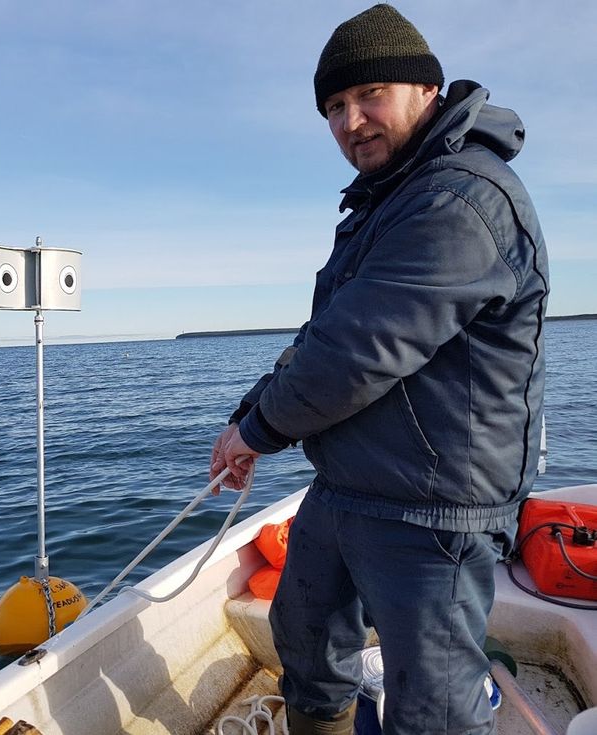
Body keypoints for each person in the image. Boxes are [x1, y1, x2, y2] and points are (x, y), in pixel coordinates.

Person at [209, 4, 548, 734]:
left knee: (434, 706)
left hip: (435, 505)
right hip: (350, 484)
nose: (351, 121)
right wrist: (249, 413)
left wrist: (259, 432)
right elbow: (324, 334)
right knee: (305, 640)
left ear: (427, 90)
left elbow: (357, 352)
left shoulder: (460, 199)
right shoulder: (386, 202)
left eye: (371, 95)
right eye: (334, 107)